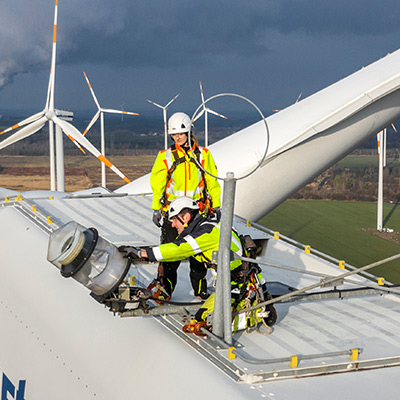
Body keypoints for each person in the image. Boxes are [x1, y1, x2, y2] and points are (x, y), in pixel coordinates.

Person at [140, 196, 277, 331]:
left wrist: (145, 253)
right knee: (201, 319)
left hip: (239, 287)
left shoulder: (206, 233)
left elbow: (179, 249)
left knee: (207, 322)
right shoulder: (208, 226)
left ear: (186, 217)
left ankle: (259, 314)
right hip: (235, 283)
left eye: (174, 220)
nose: (173, 224)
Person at [149, 112, 221, 300]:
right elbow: (158, 184)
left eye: (181, 133)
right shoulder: (165, 157)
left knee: (199, 256)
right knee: (170, 254)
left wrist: (217, 205)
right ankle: (165, 290)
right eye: (174, 134)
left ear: (189, 131)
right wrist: (156, 208)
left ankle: (200, 291)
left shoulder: (204, 155)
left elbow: (211, 181)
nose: (177, 137)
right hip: (173, 214)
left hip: (197, 213)